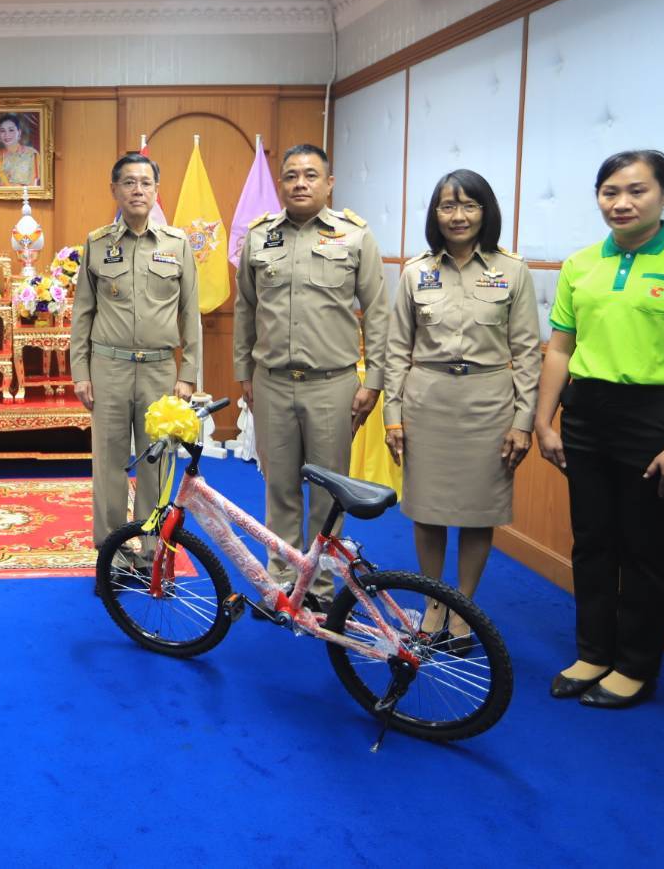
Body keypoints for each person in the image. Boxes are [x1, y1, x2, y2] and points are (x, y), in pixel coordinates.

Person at [536, 149, 664, 709]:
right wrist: (543, 420)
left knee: (648, 548)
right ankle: (593, 652)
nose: (621, 203)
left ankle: (636, 666)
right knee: (592, 541)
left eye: (637, 190)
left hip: (657, 418)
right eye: (610, 192)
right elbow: (560, 349)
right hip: (586, 412)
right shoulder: (580, 265)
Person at [383, 171, 540, 650]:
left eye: (469, 205)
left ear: (485, 211)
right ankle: (433, 603)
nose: (458, 216)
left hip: (488, 405)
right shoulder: (416, 272)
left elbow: (528, 352)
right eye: (447, 206)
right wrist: (392, 416)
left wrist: (523, 421)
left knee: (477, 512)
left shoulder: (512, 270)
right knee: (427, 511)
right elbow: (396, 350)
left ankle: (463, 607)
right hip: (427, 402)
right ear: (435, 214)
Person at [233, 143, 391, 611]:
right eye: (291, 176)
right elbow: (245, 309)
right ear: (281, 184)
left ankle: (319, 590)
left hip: (331, 385)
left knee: (327, 494)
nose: (300, 183)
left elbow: (378, 312)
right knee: (279, 488)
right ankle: (283, 585)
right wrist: (243, 372)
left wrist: (374, 381)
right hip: (272, 382)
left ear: (329, 183)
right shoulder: (259, 237)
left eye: (310, 175)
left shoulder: (355, 236)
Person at [70, 153, 201, 591]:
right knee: (108, 463)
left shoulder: (177, 244)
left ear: (156, 190)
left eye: (146, 182)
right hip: (108, 367)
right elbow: (83, 313)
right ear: (115, 190)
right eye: (129, 182)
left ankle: (150, 554)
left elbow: (191, 314)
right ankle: (111, 554)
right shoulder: (97, 243)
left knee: (156, 464)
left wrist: (188, 373)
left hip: (160, 369)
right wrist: (80, 371)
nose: (138, 190)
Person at [0, 114, 40, 188]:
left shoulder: (31, 154)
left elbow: (34, 185)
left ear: (19, 132)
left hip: (25, 195)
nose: (7, 134)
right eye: (3, 131)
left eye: (11, 130)